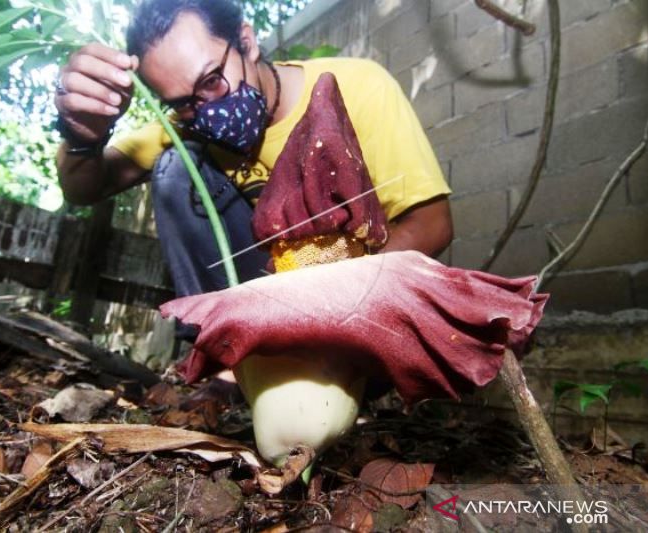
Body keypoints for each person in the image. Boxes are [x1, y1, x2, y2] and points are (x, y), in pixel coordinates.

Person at [54, 0, 453, 380]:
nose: (206, 110)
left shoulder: (359, 87)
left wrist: (334, 309)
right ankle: (226, 364)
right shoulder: (184, 128)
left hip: (354, 313)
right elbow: (83, 188)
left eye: (212, 80)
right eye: (184, 103)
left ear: (247, 41)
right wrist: (82, 135)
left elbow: (431, 224)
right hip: (260, 320)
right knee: (176, 166)